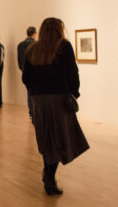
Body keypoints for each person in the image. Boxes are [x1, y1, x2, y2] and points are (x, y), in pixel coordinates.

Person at [22, 17, 89, 196]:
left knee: (46, 138)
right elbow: (73, 73)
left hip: (39, 101)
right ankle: (49, 176)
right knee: (60, 138)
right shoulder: (64, 47)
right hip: (58, 100)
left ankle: (48, 174)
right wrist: (74, 93)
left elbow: (25, 77)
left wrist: (35, 92)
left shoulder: (33, 49)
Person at [17, 26, 37, 120]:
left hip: (24, 70)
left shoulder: (20, 45)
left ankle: (31, 112)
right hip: (35, 71)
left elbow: (19, 60)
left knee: (29, 92)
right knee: (34, 92)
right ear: (34, 33)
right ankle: (34, 112)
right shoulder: (36, 44)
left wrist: (22, 68)